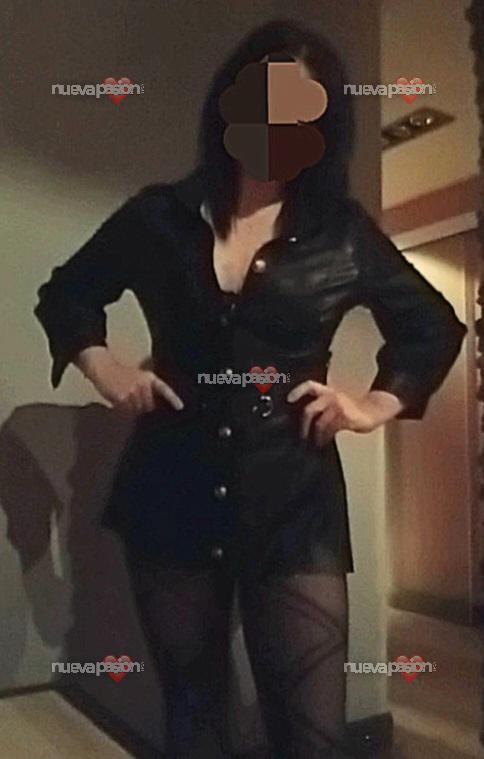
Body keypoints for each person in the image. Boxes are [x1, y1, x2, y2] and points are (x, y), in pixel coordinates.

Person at [34, 18, 468, 759]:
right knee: (194, 716)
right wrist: (106, 369)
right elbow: (67, 295)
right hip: (170, 488)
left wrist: (371, 405)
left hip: (295, 502)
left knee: (312, 737)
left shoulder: (342, 232)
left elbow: (431, 326)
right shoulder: (158, 217)